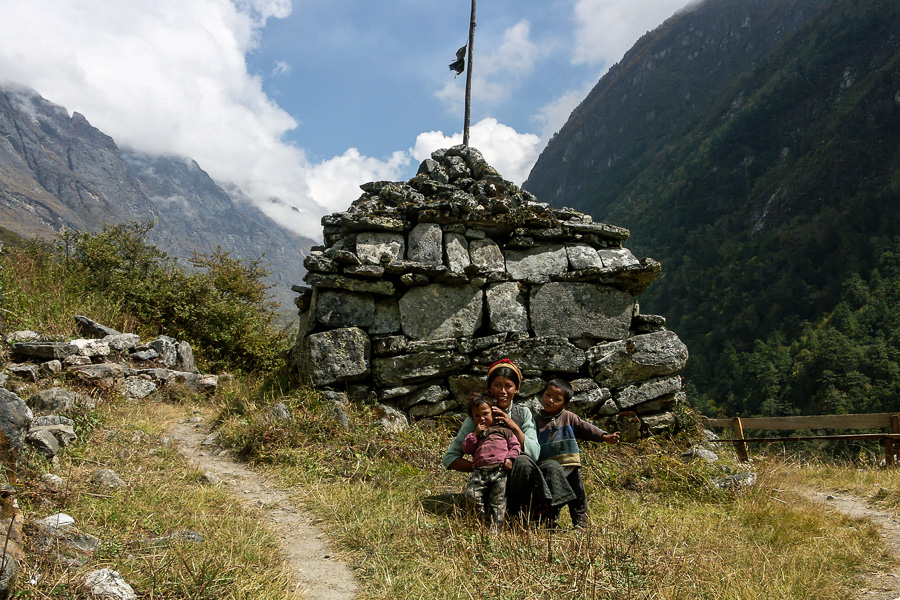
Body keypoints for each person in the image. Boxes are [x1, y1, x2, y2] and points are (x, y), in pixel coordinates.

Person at [443, 359, 576, 520]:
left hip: (522, 481)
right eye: (497, 385)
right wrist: (485, 466)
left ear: (517, 389)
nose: (503, 391)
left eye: (508, 386)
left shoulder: (523, 414)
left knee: (551, 466)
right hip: (492, 484)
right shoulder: (478, 417)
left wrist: (513, 426)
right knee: (521, 461)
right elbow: (450, 458)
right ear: (488, 387)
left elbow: (534, 453)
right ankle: (516, 514)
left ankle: (547, 515)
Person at [534, 378, 620, 529]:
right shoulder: (536, 421)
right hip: (550, 470)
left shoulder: (569, 417)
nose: (550, 400)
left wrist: (604, 436)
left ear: (565, 404)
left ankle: (580, 524)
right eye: (548, 395)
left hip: (570, 466)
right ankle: (550, 522)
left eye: (557, 399)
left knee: (578, 497)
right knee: (552, 497)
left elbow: (586, 428)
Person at [461, 395, 520, 527]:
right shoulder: (475, 433)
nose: (482, 418)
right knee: (472, 495)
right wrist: (475, 434)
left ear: (494, 413)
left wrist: (510, 458)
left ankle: (496, 528)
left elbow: (515, 446)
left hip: (499, 471)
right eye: (477, 416)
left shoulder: (504, 431)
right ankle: (481, 522)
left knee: (498, 501)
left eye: (486, 414)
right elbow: (466, 448)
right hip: (479, 472)